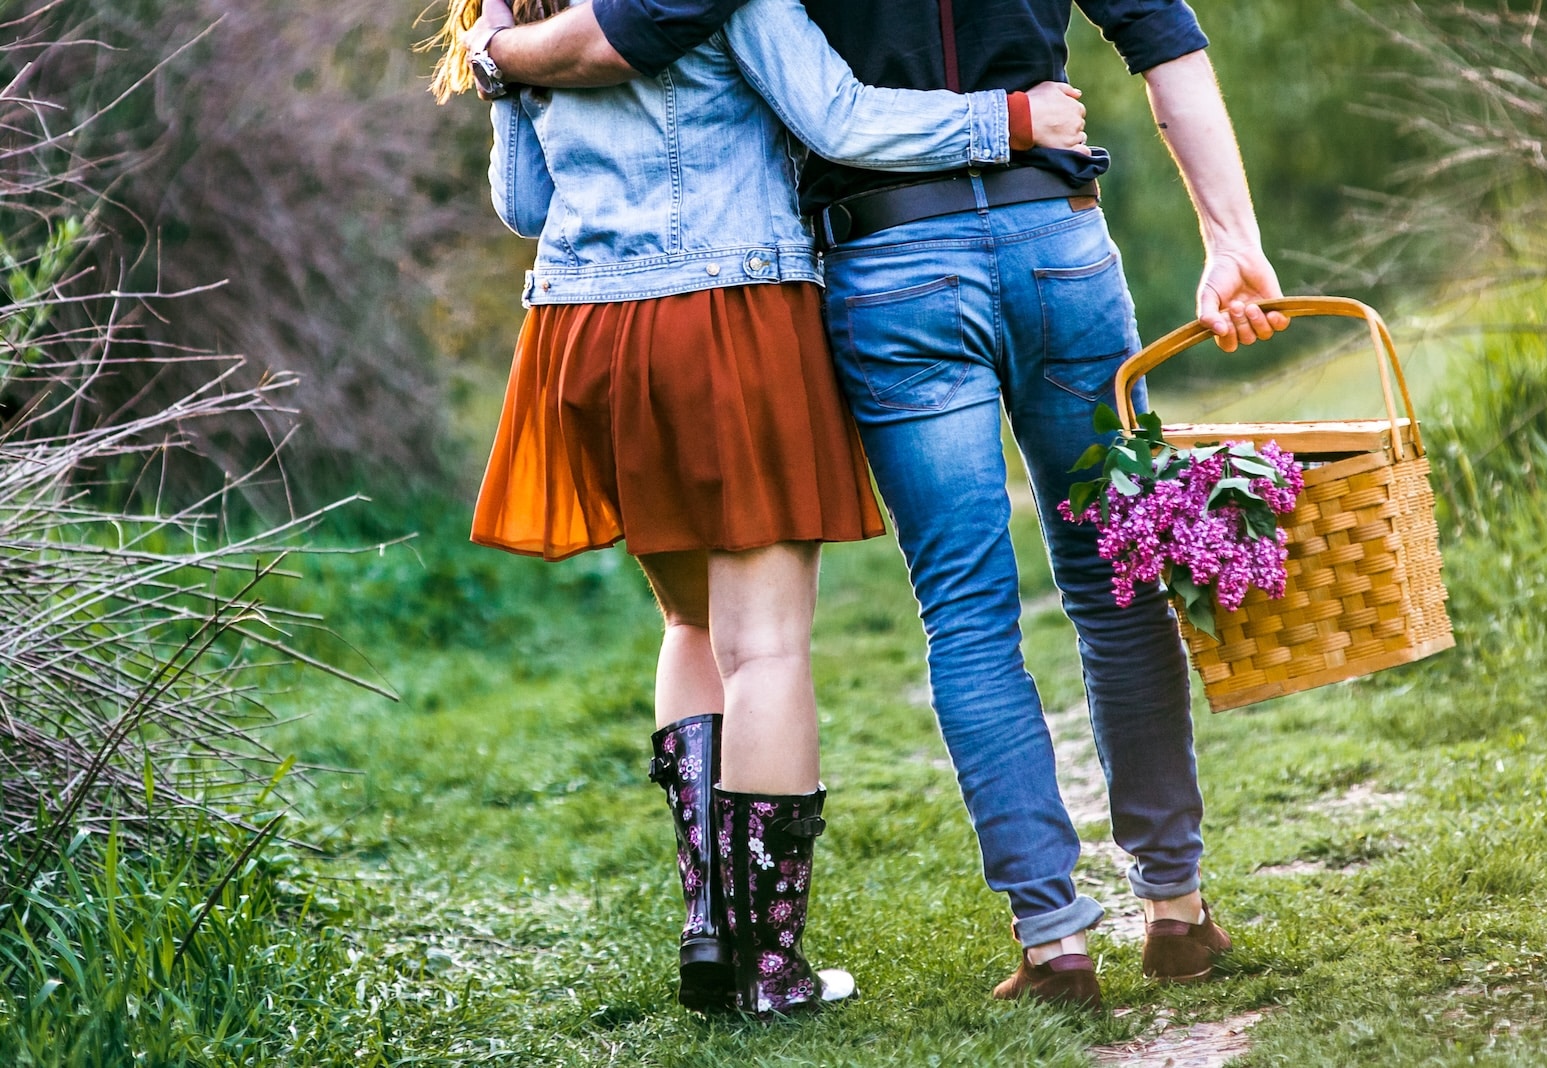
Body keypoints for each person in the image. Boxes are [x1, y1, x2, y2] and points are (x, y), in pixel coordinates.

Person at [462, 0, 1294, 1010]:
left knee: (965, 611)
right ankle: (1174, 908)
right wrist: (1229, 236)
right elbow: (1163, 40)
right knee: (1114, 581)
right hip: (1056, 244)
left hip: (890, 264)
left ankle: (1050, 942)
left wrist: (499, 52)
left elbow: (618, 59)